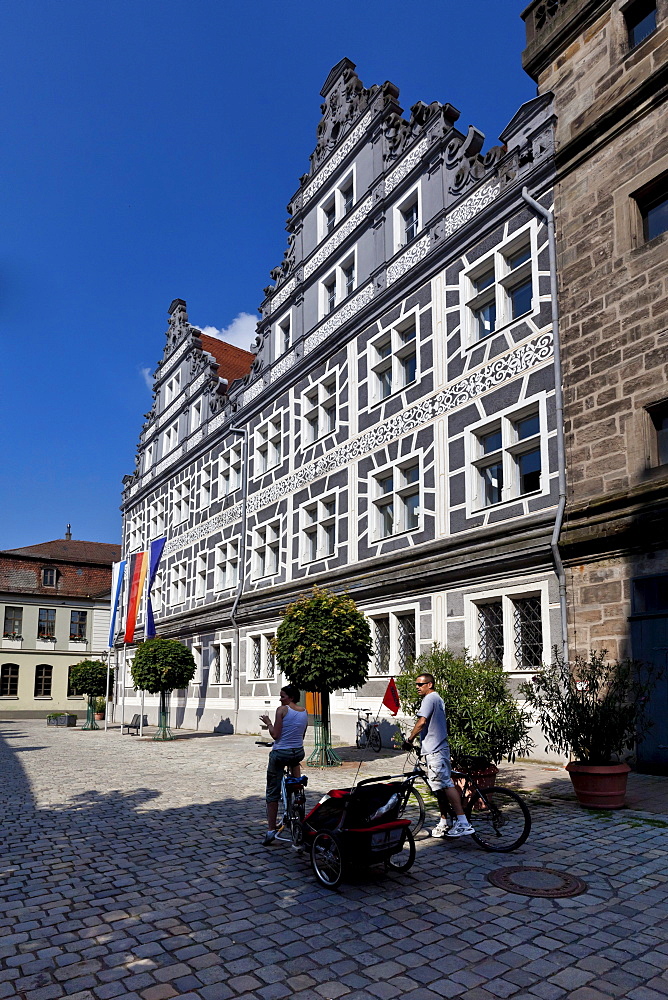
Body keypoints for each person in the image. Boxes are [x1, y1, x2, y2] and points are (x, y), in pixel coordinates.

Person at [404, 672, 474, 838]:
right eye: (416, 684)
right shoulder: (437, 698)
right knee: (439, 787)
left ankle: (463, 822)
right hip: (435, 749)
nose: (417, 687)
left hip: (436, 750)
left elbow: (421, 722)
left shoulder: (429, 699)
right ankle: (444, 821)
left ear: (430, 684)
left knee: (445, 784)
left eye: (420, 684)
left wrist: (409, 739)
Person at [260, 684, 308, 846]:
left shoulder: (282, 710)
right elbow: (302, 734)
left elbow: (275, 735)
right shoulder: (304, 711)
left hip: (281, 753)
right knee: (295, 764)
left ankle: (271, 829)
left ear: (291, 697)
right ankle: (298, 792)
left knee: (272, 791)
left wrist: (268, 722)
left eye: (282, 696)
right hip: (298, 751)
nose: (280, 699)